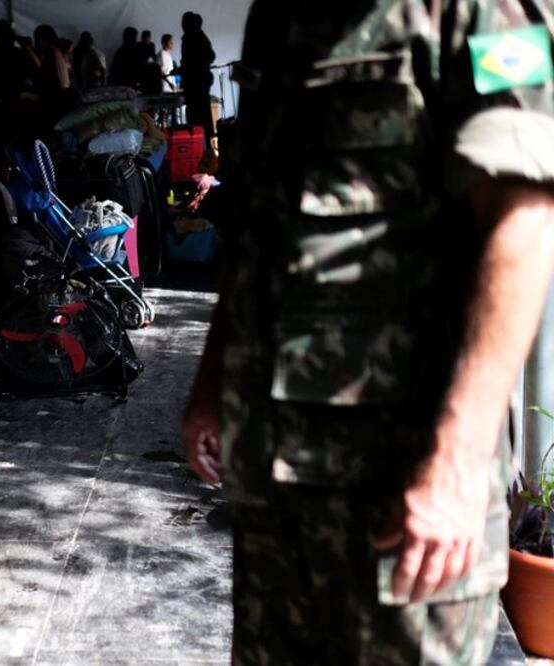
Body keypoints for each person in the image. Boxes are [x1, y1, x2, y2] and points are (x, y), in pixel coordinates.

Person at [182, 1, 554, 663]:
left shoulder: (484, 11)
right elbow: (259, 229)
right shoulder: (280, 16)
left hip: (406, 482)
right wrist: (211, 382)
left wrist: (460, 464)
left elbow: (524, 216)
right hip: (275, 473)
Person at [179, 12, 216, 141]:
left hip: (196, 82)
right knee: (201, 112)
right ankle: (203, 140)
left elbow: (209, 56)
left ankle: (200, 140)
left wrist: (193, 66)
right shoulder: (198, 37)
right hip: (199, 80)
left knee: (197, 113)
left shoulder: (193, 38)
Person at [33, 24, 71, 94]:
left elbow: (46, 78)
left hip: (58, 94)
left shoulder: (50, 52)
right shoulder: (56, 51)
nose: (36, 44)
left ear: (47, 40)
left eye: (39, 40)